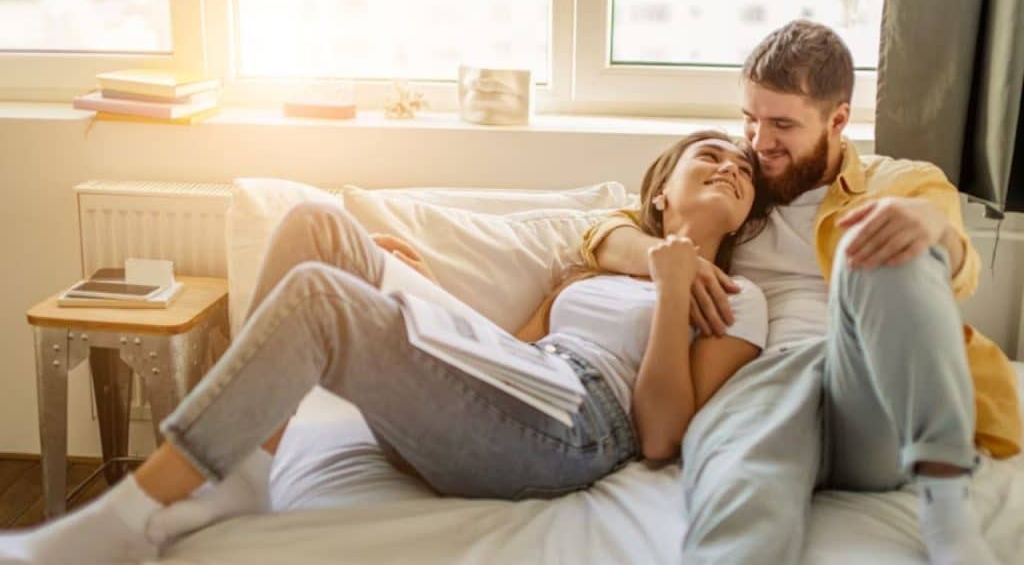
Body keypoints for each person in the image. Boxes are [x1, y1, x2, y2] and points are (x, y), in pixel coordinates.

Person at [0, 130, 772, 565]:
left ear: (745, 219)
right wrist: (419, 287)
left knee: (322, 302)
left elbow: (664, 433)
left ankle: (120, 519)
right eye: (710, 155)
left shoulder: (744, 302)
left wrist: (676, 293)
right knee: (317, 229)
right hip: (516, 387)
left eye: (742, 170)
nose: (732, 165)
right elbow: (506, 352)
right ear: (662, 189)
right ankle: (248, 474)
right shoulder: (589, 262)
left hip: (577, 426)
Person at [580, 20, 1021, 565]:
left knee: (889, 232)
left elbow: (958, 269)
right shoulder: (738, 183)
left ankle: (946, 505)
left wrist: (931, 228)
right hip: (755, 389)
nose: (760, 142)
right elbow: (606, 228)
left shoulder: (898, 182)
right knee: (741, 505)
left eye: (782, 124)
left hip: (868, 391)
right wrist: (669, 260)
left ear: (838, 120)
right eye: (750, 119)